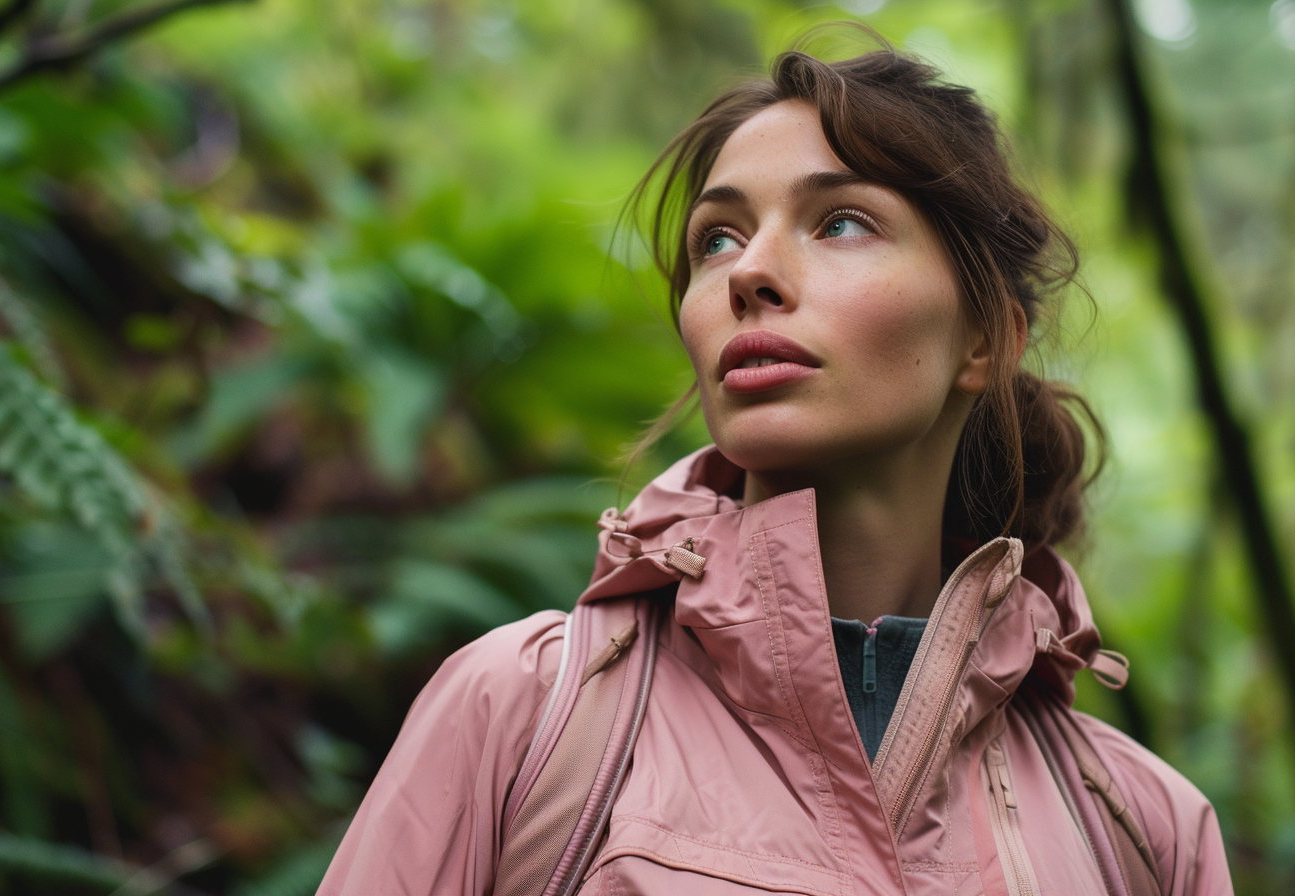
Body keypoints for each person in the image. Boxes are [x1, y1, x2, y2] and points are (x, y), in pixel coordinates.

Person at [317, 35, 1233, 896]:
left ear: (985, 339)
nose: (748, 271)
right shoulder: (524, 713)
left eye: (840, 222)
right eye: (716, 238)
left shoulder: (1144, 834)